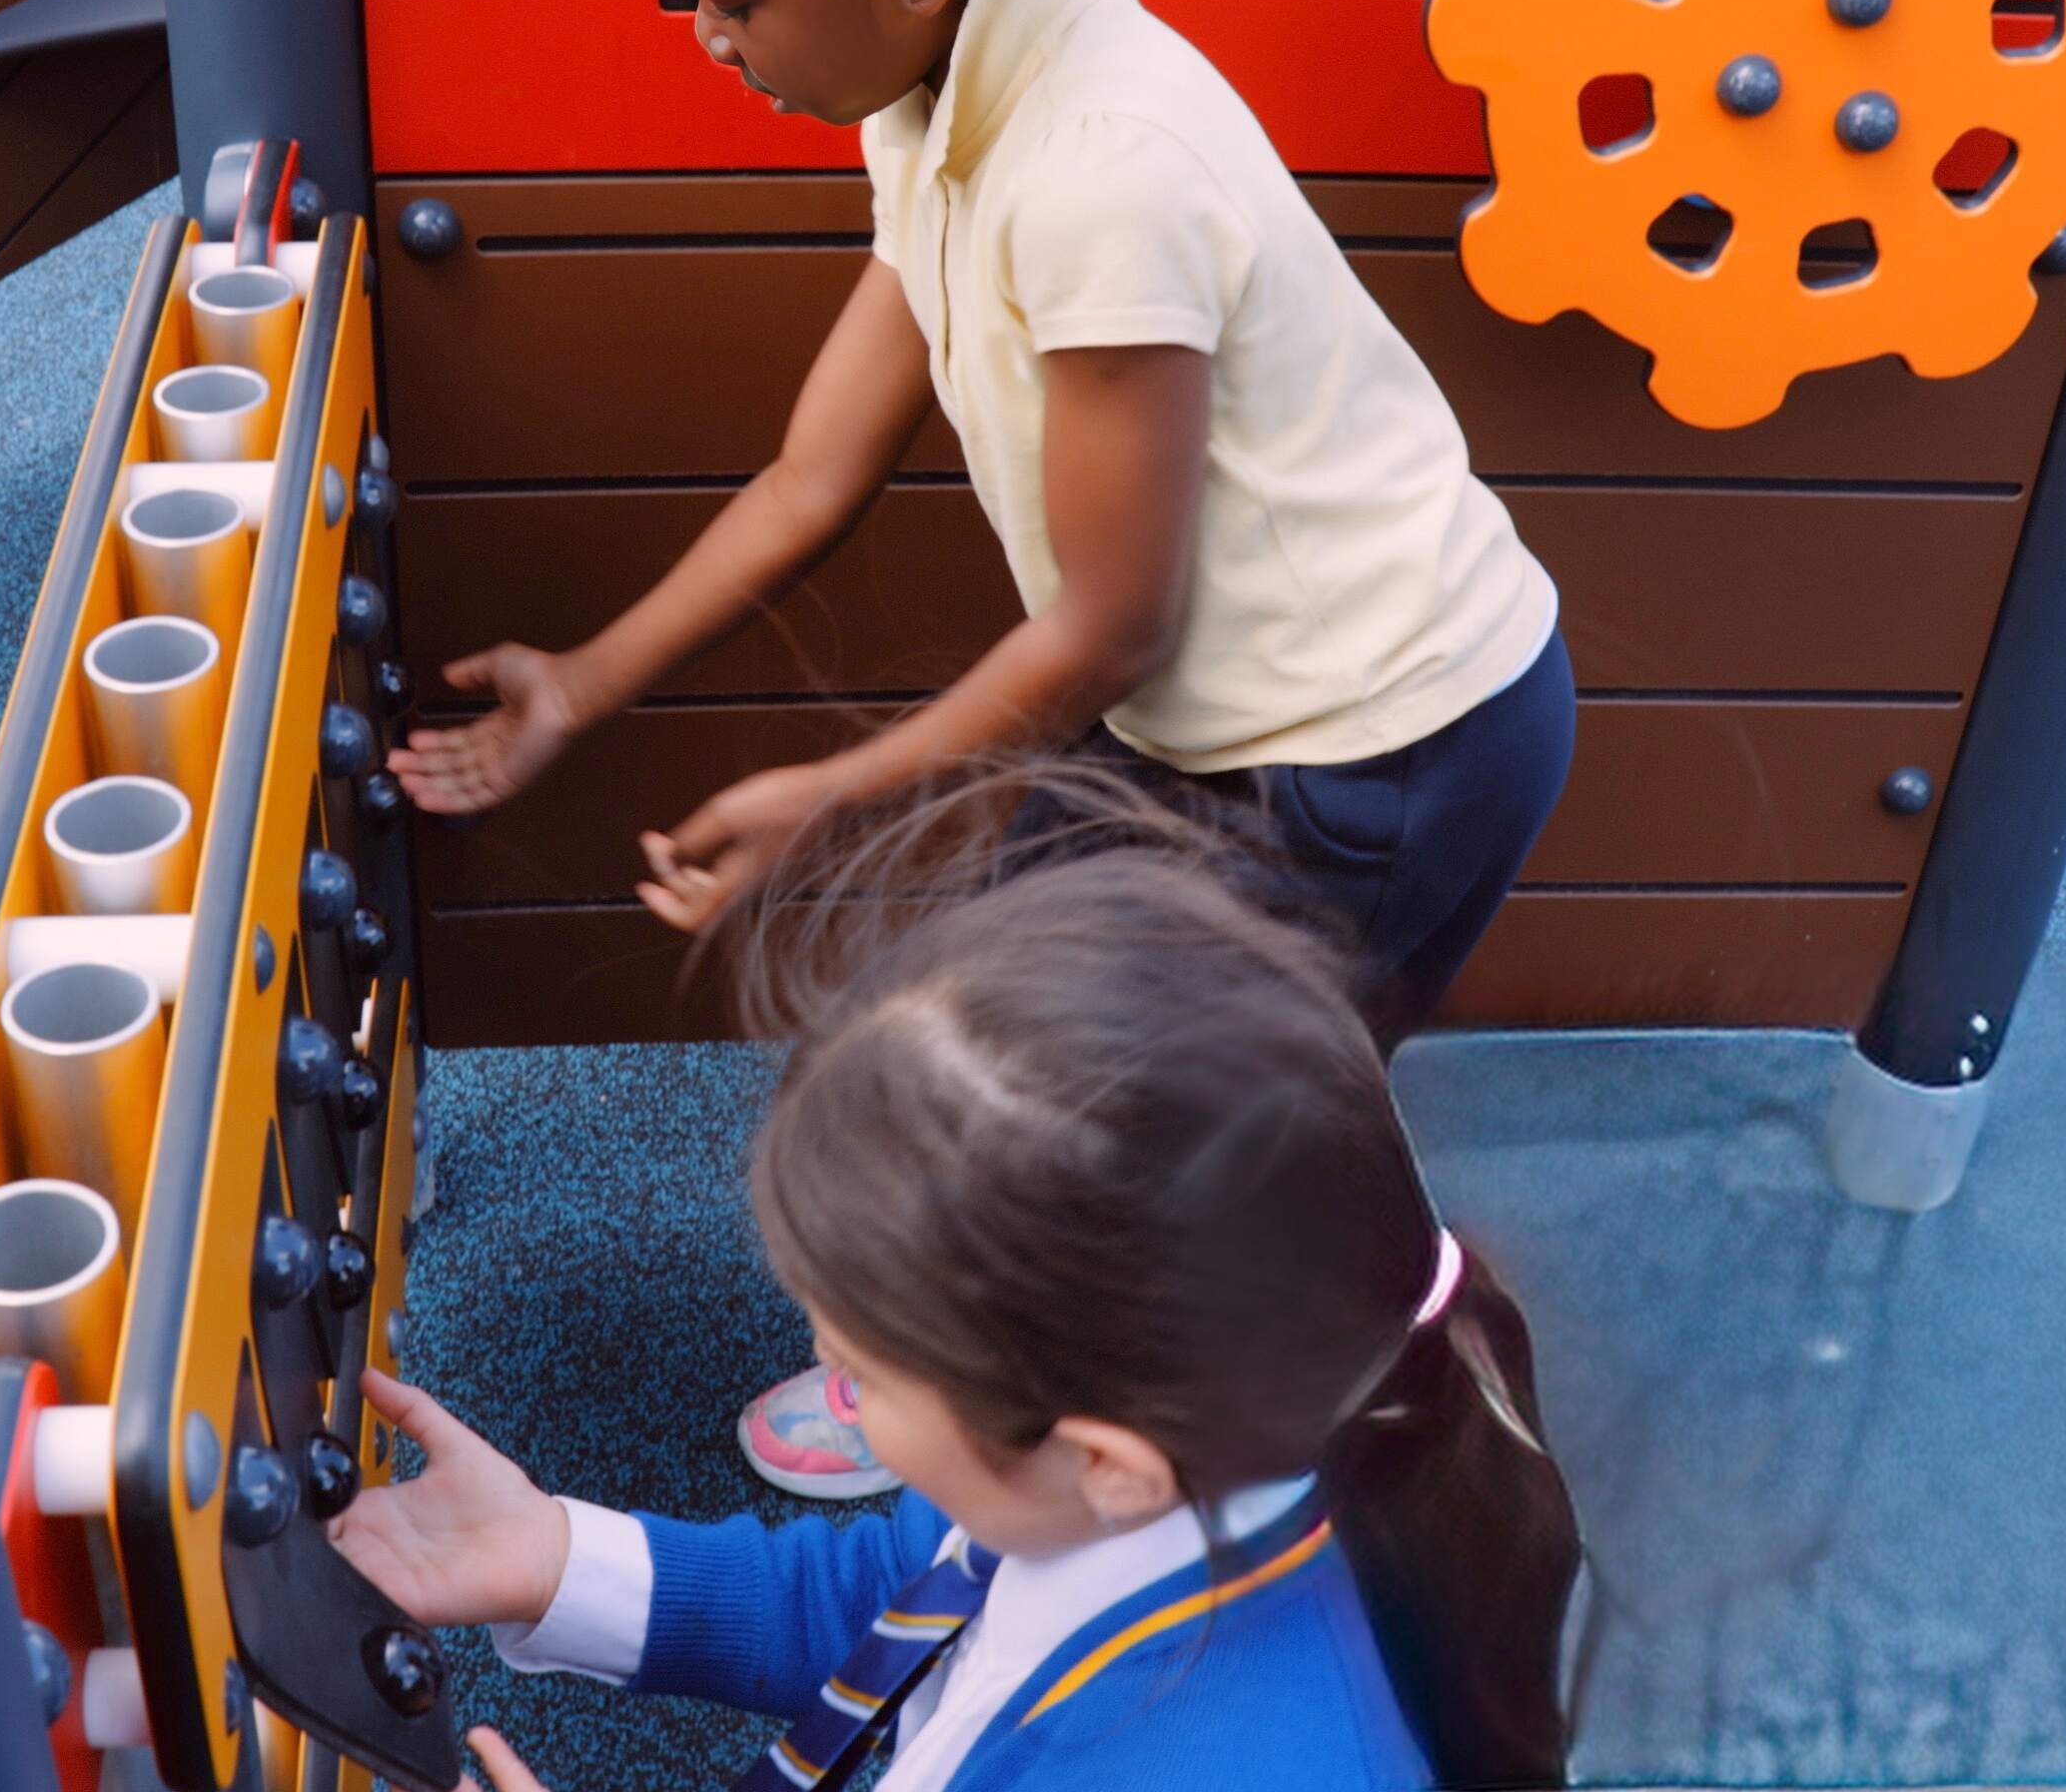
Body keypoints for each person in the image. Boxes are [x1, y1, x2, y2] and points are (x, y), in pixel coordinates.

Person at [385, 0, 1575, 1498]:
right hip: (1202, 726)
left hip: (1379, 748)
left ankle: (1312, 1465)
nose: (698, 33)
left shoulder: (1099, 162)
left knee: (1173, 1138)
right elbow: (813, 471)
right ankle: (1011, 1392)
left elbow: (1114, 621)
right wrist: (584, 684)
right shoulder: (935, 92)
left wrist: (836, 801)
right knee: (1008, 1050)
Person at [331, 767, 1584, 1791]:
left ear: (1104, 1458)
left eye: (863, 1370)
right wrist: (558, 1557)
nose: (826, 1374)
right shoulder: (1148, 1462)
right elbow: (910, 1601)